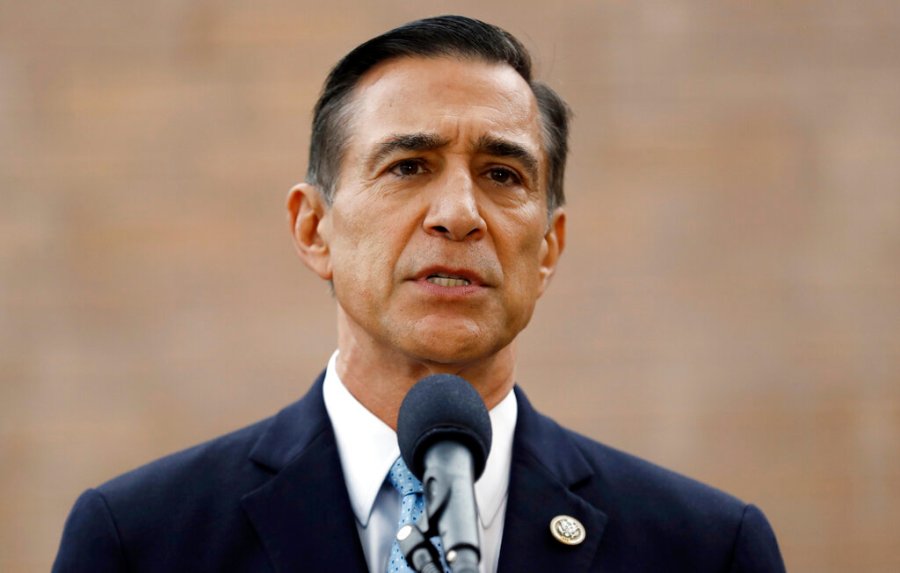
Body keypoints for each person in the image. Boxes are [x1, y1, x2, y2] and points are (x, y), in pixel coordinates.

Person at [52, 15, 786, 573]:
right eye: (408, 166)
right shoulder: (142, 539)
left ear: (549, 249)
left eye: (503, 174)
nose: (459, 213)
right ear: (314, 230)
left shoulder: (704, 548)